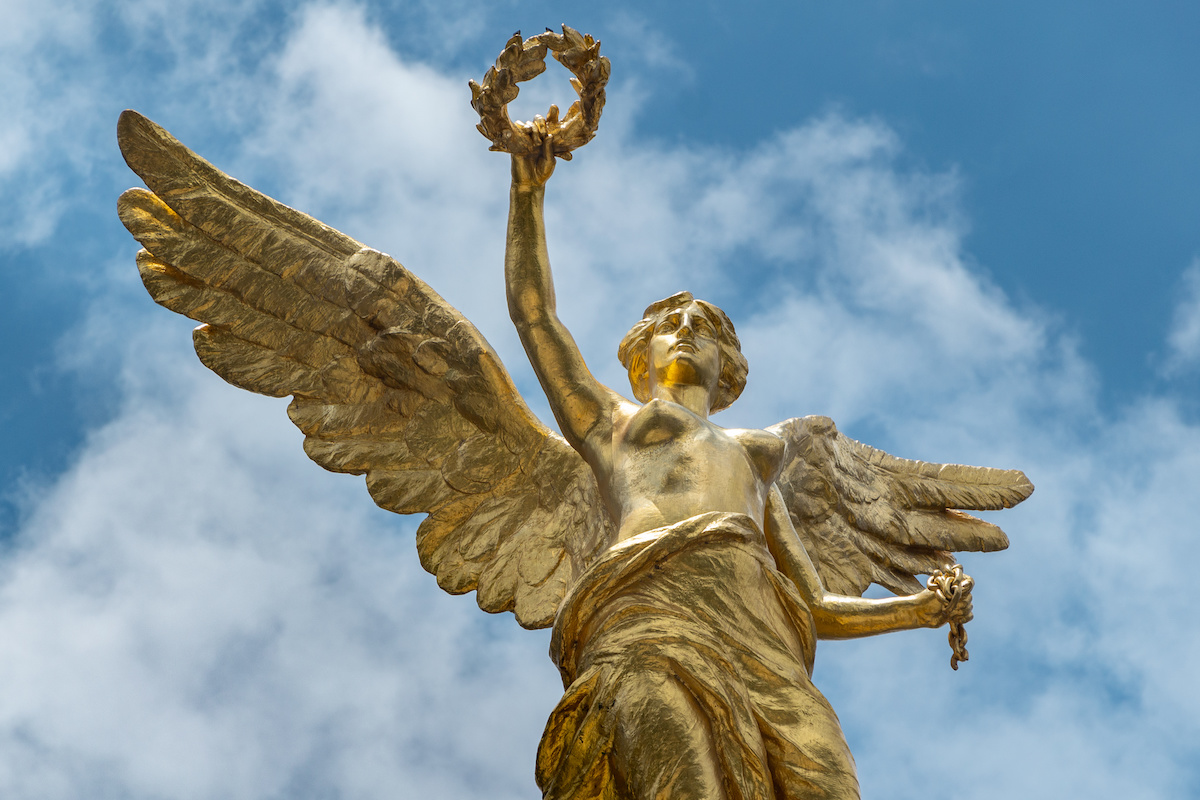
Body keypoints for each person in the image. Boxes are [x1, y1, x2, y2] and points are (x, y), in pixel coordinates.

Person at [505, 137, 970, 800]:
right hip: (648, 615)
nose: (687, 329)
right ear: (639, 358)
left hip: (766, 641)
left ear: (732, 370)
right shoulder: (614, 424)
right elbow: (535, 317)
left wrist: (918, 610)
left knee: (828, 781)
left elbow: (815, 607)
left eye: (704, 326)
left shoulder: (757, 461)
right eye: (671, 323)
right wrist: (528, 190)